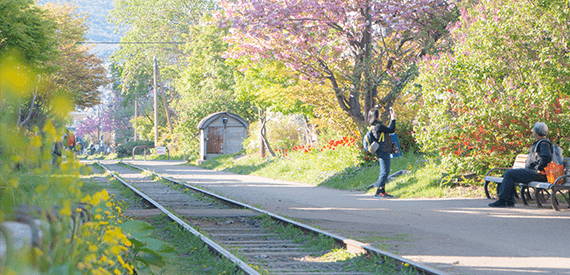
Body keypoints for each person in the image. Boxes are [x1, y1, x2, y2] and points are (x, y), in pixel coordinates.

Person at [489, 122, 552, 208]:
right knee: (509, 174)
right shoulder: (541, 142)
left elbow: (546, 157)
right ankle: (509, 201)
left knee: (509, 173)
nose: (532, 132)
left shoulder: (544, 143)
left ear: (536, 132)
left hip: (538, 173)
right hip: (533, 172)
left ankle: (503, 200)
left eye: (533, 130)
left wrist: (538, 167)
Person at [366, 106, 397, 198]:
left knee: (385, 171)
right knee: (385, 172)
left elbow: (388, 130)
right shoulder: (378, 126)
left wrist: (392, 119)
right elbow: (391, 130)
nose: (380, 116)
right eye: (379, 114)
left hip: (381, 151)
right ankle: (378, 191)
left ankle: (382, 191)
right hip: (383, 151)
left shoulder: (374, 126)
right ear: (376, 116)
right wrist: (393, 119)